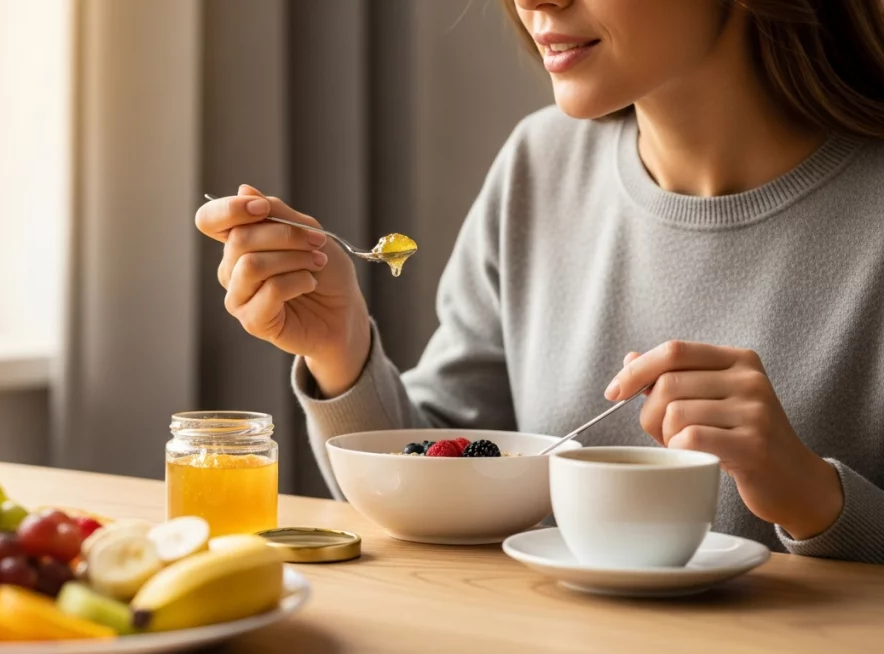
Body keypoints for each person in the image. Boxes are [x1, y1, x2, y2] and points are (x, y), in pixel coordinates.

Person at [195, 0, 884, 564]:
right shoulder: (538, 164)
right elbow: (448, 479)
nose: (535, 2)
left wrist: (813, 497)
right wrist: (340, 350)